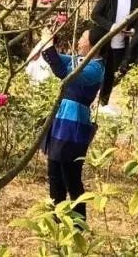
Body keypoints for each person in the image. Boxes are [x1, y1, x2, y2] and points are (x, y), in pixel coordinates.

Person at [32, 25, 106, 224]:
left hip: (73, 125)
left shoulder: (95, 68)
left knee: (71, 177)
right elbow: (52, 59)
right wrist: (48, 41)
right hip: (62, 121)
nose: (79, 41)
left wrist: (49, 44)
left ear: (94, 44)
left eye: (83, 37)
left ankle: (78, 224)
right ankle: (56, 221)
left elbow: (62, 71)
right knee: (54, 172)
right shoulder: (80, 61)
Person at [90, 0, 138, 115]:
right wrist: (112, 27)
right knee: (97, 73)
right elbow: (95, 15)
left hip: (120, 43)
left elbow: (136, 21)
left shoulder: (135, 0)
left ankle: (103, 106)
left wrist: (133, 30)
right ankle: (89, 102)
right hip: (103, 40)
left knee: (110, 76)